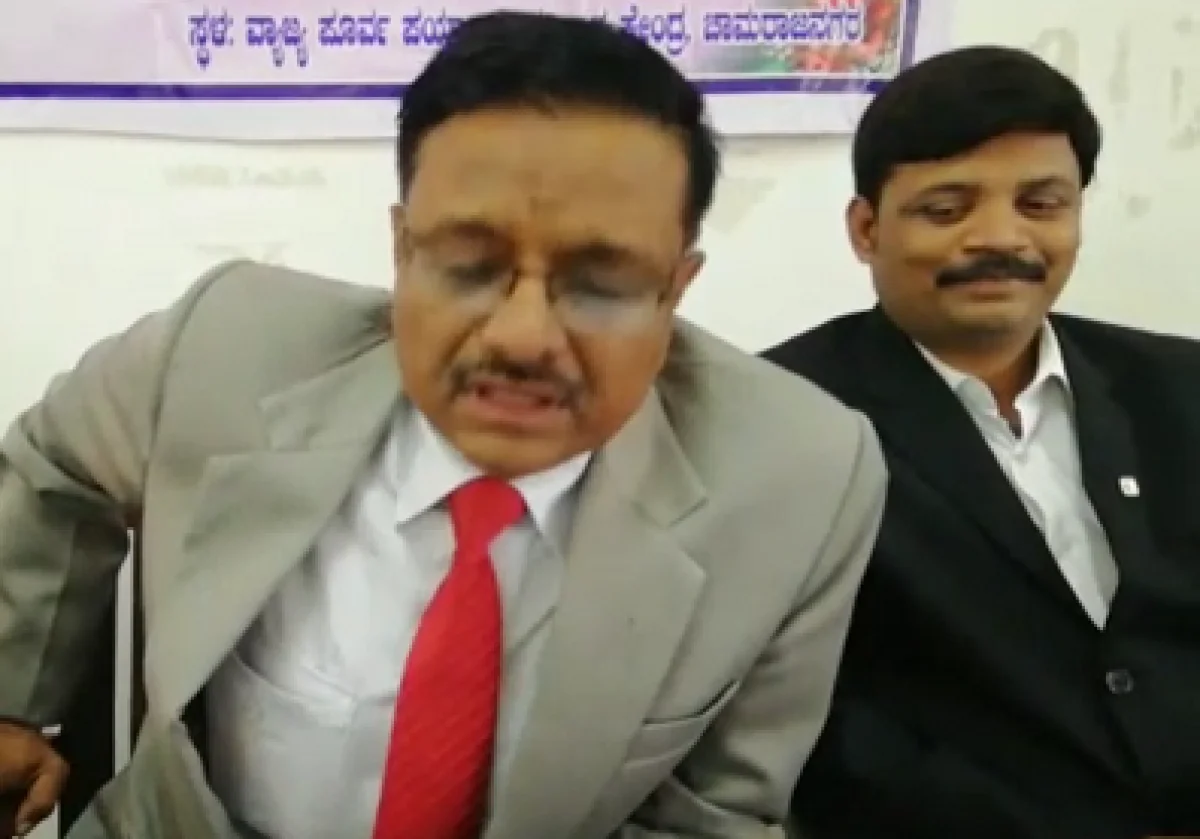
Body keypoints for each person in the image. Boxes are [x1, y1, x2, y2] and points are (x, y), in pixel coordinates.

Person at [0, 11, 887, 839]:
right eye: (468, 265)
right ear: (401, 249)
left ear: (677, 288)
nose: (523, 337)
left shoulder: (798, 479)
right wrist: (12, 696)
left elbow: (713, 815)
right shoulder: (224, 344)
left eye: (601, 284)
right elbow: (52, 466)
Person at [766, 45, 1200, 839]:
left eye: (1041, 204)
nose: (1000, 237)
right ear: (866, 229)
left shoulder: (1180, 387)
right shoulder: (783, 416)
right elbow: (808, 718)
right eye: (946, 209)